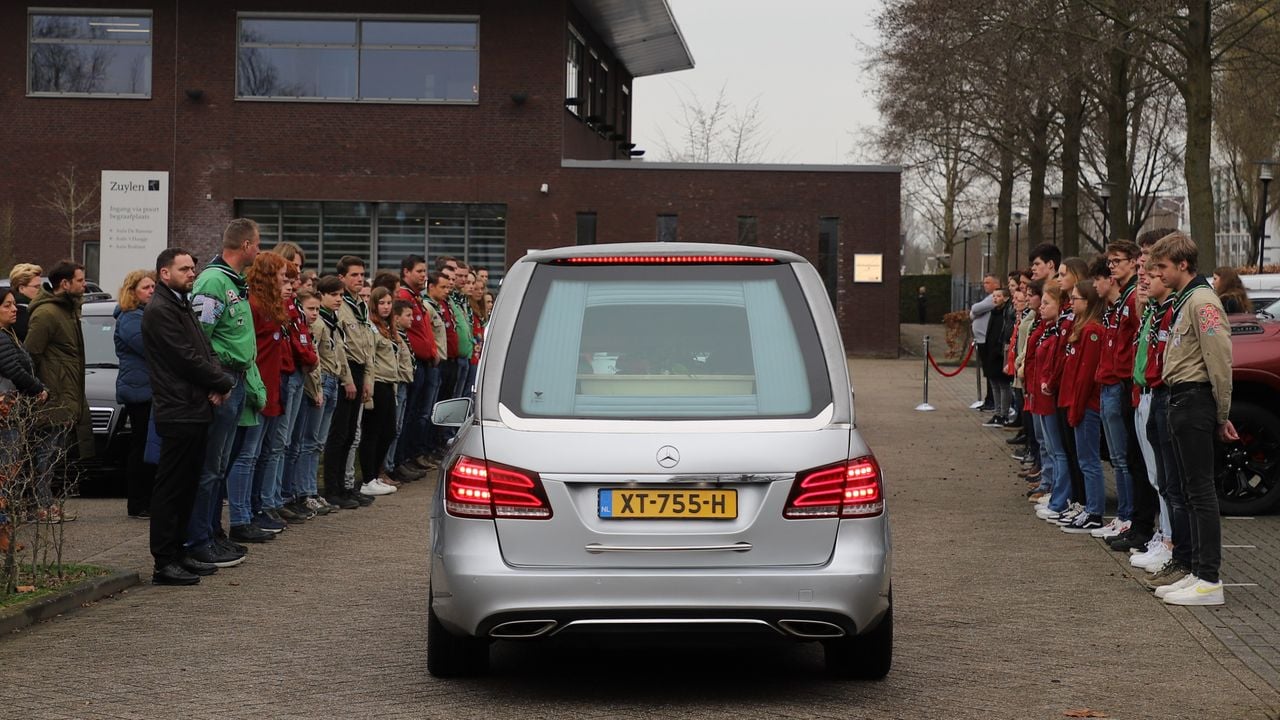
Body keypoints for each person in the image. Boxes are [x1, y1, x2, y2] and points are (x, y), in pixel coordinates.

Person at [1147, 231, 1235, 606]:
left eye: (1164, 267)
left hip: (1195, 399)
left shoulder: (1202, 302)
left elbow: (1220, 360)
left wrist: (1221, 413)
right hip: (1181, 399)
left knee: (1200, 492)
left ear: (1183, 265)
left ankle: (1209, 578)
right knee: (1189, 489)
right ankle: (1198, 571)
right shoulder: (1186, 300)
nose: (1159, 274)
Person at [142, 248, 237, 585]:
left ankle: (180, 551)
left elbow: (205, 349)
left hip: (196, 406)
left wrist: (218, 382)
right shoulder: (160, 310)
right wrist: (222, 381)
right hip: (177, 408)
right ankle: (163, 561)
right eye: (183, 269)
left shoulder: (182, 304)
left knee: (188, 485)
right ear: (164, 273)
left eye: (192, 268)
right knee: (171, 487)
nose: (191, 273)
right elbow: (183, 358)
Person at [189, 219, 268, 553]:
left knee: (221, 466)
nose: (260, 250)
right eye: (258, 243)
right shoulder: (212, 281)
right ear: (246, 246)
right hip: (221, 380)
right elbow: (199, 336)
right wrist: (214, 380)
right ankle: (199, 539)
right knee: (210, 468)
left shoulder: (235, 281)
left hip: (235, 379)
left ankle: (213, 531)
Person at [225, 252, 293, 539]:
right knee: (246, 456)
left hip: (270, 387)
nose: (285, 280)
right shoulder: (252, 305)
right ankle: (241, 518)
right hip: (256, 387)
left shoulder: (270, 305)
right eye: (281, 274)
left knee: (260, 454)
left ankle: (254, 511)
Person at [25, 260, 91, 523]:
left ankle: (48, 501)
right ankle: (39, 505)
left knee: (54, 455)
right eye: (80, 280)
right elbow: (31, 355)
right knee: (45, 454)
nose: (84, 285)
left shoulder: (69, 311)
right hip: (53, 397)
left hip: (67, 396)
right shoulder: (47, 314)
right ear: (64, 284)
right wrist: (40, 390)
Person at [297, 278, 354, 511]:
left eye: (341, 295)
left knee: (318, 442)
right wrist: (317, 389)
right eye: (333, 294)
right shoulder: (318, 325)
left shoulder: (333, 321)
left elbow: (339, 354)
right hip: (321, 382)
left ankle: (311, 489)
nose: (339, 299)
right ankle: (305, 491)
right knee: (309, 442)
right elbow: (314, 359)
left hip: (333, 380)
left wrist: (346, 379)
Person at [325, 256, 376, 509]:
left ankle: (346, 487)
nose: (359, 279)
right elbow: (340, 349)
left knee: (350, 434)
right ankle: (332, 488)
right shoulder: (340, 305)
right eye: (354, 275)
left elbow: (366, 344)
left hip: (360, 370)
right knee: (339, 433)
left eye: (361, 274)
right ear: (342, 278)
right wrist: (348, 380)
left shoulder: (360, 306)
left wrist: (367, 378)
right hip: (345, 372)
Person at [0, 287, 48, 553]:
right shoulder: (2, 338)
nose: (14, 309)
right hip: (5, 412)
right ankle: (2, 533)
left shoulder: (10, 335)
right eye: (7, 305)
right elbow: (14, 369)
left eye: (13, 305)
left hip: (10, 410)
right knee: (4, 475)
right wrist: (38, 388)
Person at [1058, 279, 1106, 533]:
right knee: (1083, 459)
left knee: (1089, 461)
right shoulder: (1081, 329)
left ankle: (1095, 511)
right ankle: (1089, 508)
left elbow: (1086, 376)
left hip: (1087, 406)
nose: (1071, 302)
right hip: (1078, 404)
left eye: (1076, 298)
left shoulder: (1092, 331)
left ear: (1088, 302)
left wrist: (1076, 408)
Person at [391, 254, 439, 483]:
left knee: (418, 414)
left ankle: (409, 456)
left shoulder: (417, 299)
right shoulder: (403, 297)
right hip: (415, 364)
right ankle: (400, 459)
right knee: (409, 415)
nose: (424, 275)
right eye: (419, 271)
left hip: (426, 363)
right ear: (406, 273)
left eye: (424, 271)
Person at [114, 269, 157, 519]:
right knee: (140, 446)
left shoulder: (144, 315)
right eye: (146, 287)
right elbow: (149, 346)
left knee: (147, 446)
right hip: (139, 389)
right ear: (132, 292)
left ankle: (147, 500)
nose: (152, 291)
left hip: (148, 388)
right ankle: (138, 502)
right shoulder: (130, 318)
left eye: (153, 287)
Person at [357, 287, 401, 496]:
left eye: (389, 303)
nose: (385, 307)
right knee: (372, 432)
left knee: (389, 431)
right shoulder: (371, 326)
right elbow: (370, 356)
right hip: (378, 382)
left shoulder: (387, 326)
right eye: (381, 303)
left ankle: (375, 474)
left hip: (390, 382)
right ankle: (367, 478)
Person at [970, 274, 1000, 416]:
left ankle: (992, 401)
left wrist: (975, 311)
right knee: (988, 372)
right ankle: (989, 399)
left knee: (991, 372)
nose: (985, 285)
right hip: (982, 339)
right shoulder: (989, 297)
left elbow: (975, 309)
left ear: (996, 284)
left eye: (988, 282)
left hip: (987, 340)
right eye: (984, 282)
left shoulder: (994, 297)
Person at [9, 263, 42, 342]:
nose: (41, 290)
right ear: (21, 288)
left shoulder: (31, 307)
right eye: (36, 287)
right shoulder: (19, 313)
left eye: (41, 286)